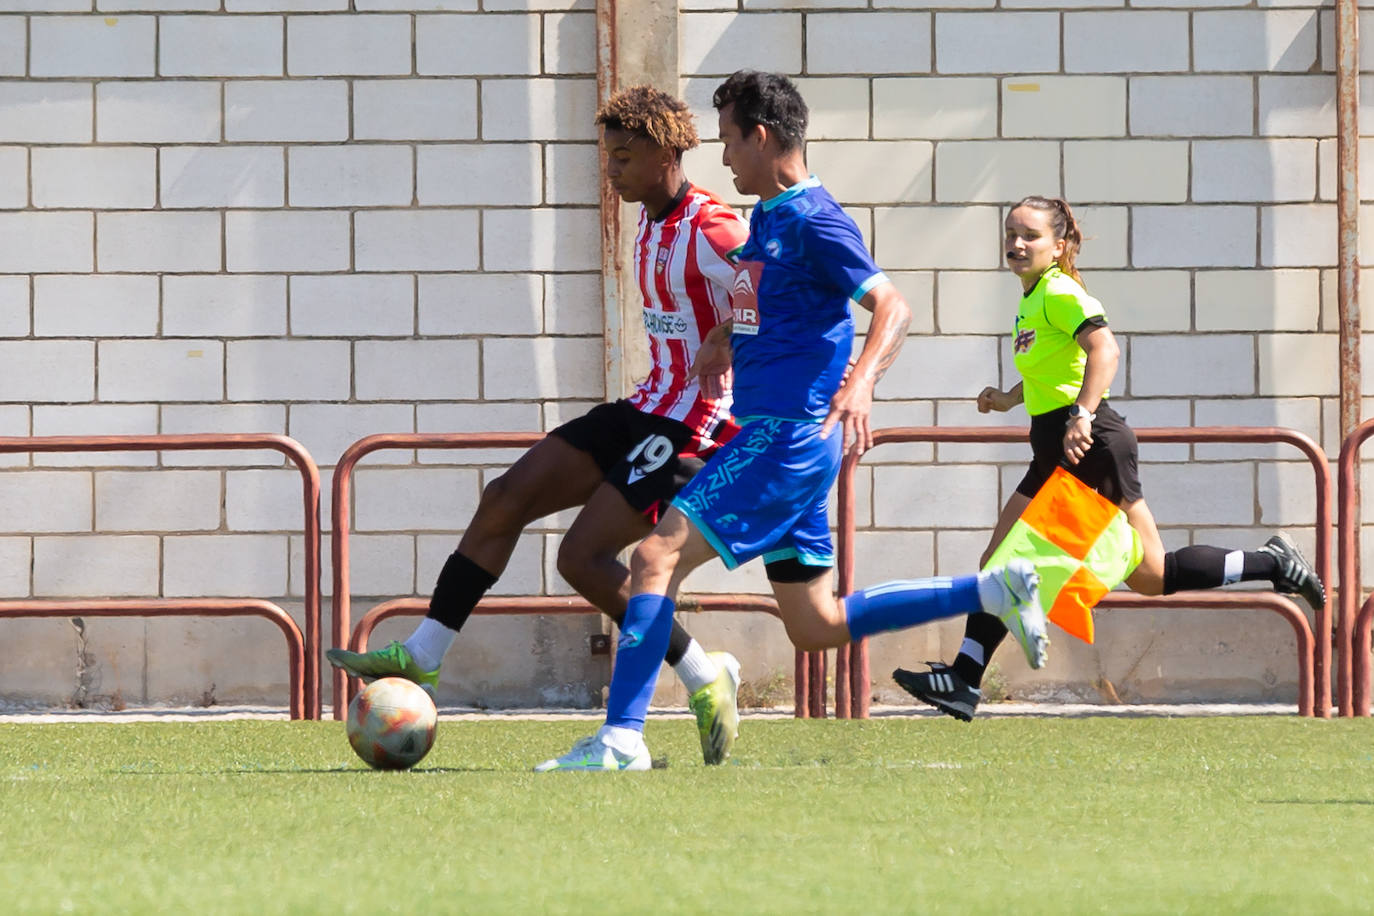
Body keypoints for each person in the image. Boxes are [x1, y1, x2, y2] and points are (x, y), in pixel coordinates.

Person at [534, 70, 1050, 773]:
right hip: (781, 439)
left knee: (654, 558)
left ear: (761, 135)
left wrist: (863, 382)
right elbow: (765, 310)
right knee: (815, 625)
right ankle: (992, 589)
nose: (722, 159)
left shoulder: (814, 218)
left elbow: (891, 306)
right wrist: (724, 343)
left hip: (787, 437)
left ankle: (621, 738)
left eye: (728, 142)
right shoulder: (769, 219)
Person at [328, 85, 751, 765]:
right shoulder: (649, 218)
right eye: (606, 156)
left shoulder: (714, 226)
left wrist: (732, 331)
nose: (610, 169)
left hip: (693, 425)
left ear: (666, 151)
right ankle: (427, 653)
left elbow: (779, 287)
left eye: (623, 156)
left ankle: (703, 672)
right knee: (504, 496)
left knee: (580, 559)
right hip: (645, 406)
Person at [893, 194, 1327, 721]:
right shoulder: (1032, 297)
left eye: (1029, 235)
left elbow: (1105, 350)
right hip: (1054, 444)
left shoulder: (1059, 291)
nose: (1016, 244)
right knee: (1141, 574)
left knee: (1026, 564)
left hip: (1088, 444)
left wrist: (1081, 414)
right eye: (1010, 234)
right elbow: (1053, 370)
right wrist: (1006, 399)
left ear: (1058, 246)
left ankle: (963, 679)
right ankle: (1272, 561)